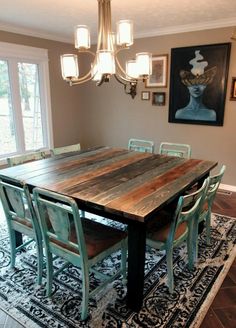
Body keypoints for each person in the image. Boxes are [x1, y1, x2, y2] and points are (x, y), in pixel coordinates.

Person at [175, 50, 217, 121]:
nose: (196, 88)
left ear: (205, 86)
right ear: (187, 86)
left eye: (200, 84)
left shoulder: (211, 114)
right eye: (192, 84)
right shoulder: (179, 113)